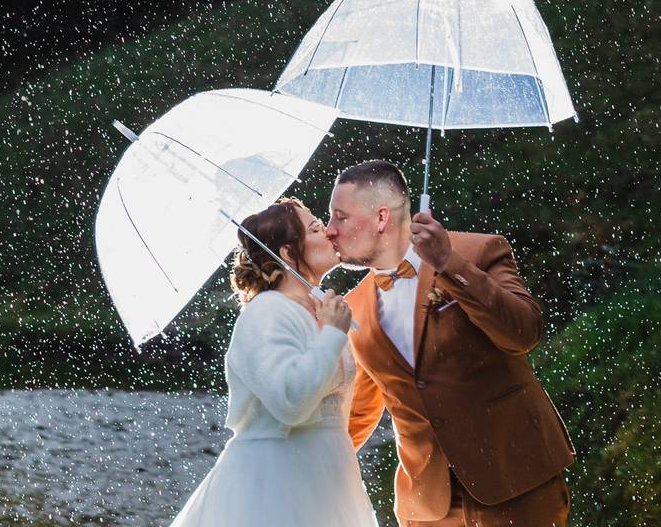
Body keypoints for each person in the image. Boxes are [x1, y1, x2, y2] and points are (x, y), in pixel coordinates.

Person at [326, 160, 575, 527]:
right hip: (426, 506)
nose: (329, 231)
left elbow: (523, 333)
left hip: (517, 481)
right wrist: (311, 467)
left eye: (339, 217)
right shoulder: (354, 307)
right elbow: (364, 408)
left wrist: (447, 262)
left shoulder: (478, 252)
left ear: (381, 218)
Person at [169, 197, 378, 527]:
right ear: (287, 252)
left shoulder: (322, 312)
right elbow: (290, 402)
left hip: (329, 479)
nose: (330, 233)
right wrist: (331, 336)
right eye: (316, 228)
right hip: (274, 482)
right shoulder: (265, 313)